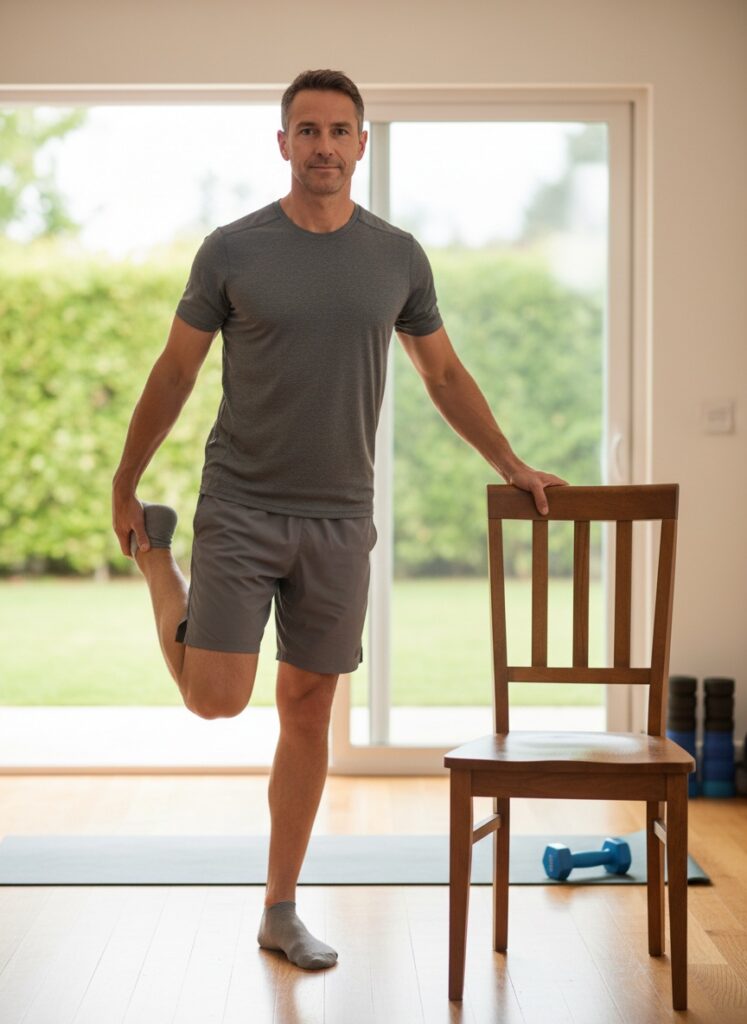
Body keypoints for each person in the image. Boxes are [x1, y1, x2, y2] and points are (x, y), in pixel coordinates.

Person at [111, 68, 565, 973]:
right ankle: (159, 560)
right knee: (215, 698)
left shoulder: (396, 257)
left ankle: (279, 907)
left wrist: (510, 462)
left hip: (338, 517)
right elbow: (174, 372)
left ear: (363, 145)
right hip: (239, 502)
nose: (324, 145)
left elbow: (441, 374)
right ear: (282, 144)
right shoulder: (232, 250)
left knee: (308, 709)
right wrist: (127, 483)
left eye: (340, 130)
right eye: (307, 130)